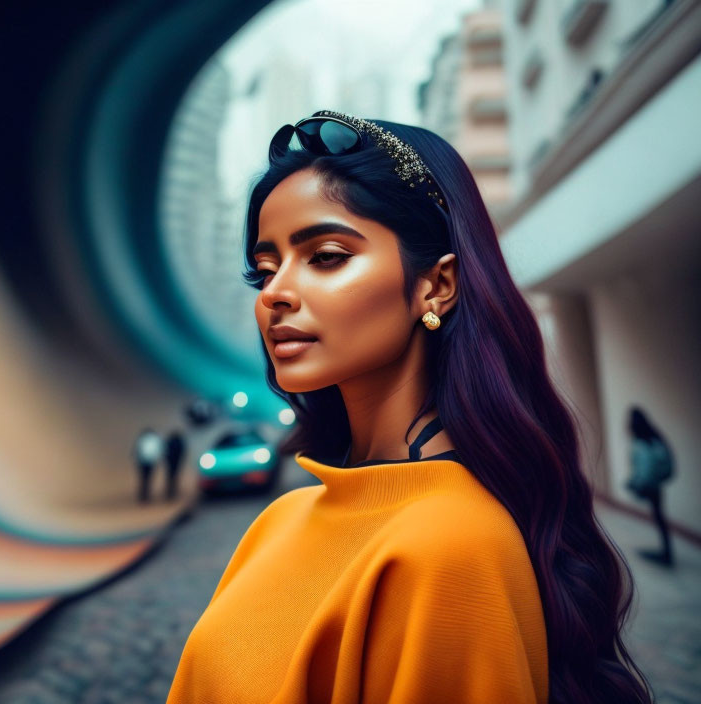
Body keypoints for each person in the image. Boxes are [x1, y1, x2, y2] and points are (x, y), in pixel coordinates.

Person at [166, 110, 652, 704]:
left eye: (325, 256)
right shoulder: (277, 522)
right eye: (264, 269)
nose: (274, 293)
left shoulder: (451, 546)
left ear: (436, 286)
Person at [625, 406, 675, 566]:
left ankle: (666, 555)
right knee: (660, 517)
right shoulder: (655, 438)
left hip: (651, 486)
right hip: (658, 484)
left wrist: (635, 484)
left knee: (659, 517)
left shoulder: (641, 444)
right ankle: (667, 552)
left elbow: (645, 472)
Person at [133, 427, 163, 503]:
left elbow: (137, 450)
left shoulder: (142, 439)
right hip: (149, 462)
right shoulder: (154, 439)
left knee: (144, 479)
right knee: (147, 479)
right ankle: (145, 495)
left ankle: (143, 495)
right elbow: (158, 451)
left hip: (144, 462)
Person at [164, 428, 186, 500]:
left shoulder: (169, 441)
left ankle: (169, 491)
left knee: (170, 477)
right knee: (174, 477)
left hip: (170, 462)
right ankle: (172, 491)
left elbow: (165, 451)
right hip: (176, 463)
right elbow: (183, 452)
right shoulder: (179, 442)